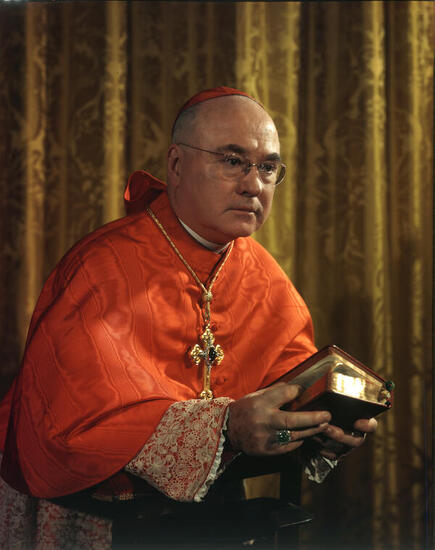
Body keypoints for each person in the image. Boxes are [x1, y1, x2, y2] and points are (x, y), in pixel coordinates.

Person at [0, 87, 377, 548]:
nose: (253, 185)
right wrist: (224, 426)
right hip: (95, 514)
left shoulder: (264, 275)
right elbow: (76, 431)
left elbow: (290, 377)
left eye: (267, 168)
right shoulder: (101, 269)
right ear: (176, 165)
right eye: (233, 161)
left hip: (216, 512)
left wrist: (324, 421)